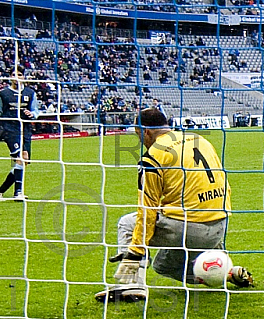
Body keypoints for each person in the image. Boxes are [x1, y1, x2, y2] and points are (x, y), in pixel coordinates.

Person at [95, 108, 253, 303]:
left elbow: (147, 210)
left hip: (188, 229)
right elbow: (222, 180)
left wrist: (135, 252)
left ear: (146, 131)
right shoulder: (198, 139)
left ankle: (133, 284)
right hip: (220, 224)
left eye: (138, 135)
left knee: (127, 223)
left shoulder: (152, 157)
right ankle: (226, 272)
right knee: (162, 264)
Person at [0, 66, 39, 201]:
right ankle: (18, 193)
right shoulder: (4, 94)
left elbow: (36, 110)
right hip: (10, 129)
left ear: (23, 77)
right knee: (21, 157)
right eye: (14, 74)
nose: (16, 77)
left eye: (19, 74)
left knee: (23, 161)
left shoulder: (30, 93)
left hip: (25, 129)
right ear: (10, 77)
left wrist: (32, 114)